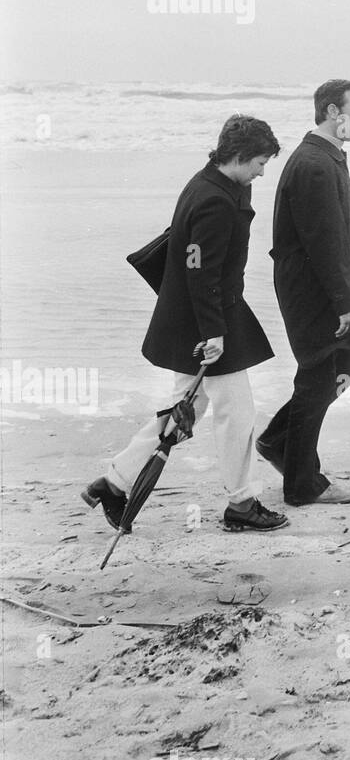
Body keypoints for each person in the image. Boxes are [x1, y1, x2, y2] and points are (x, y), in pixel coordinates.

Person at [82, 116, 288, 533]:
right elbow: (200, 271)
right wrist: (213, 333)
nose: (263, 172)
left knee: (185, 412)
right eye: (260, 163)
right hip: (206, 322)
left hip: (197, 317)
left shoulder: (213, 182)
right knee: (238, 412)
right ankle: (242, 504)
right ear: (240, 156)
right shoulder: (214, 199)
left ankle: (115, 483)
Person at [256, 79, 350, 506]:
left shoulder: (326, 157)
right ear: (331, 112)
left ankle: (278, 442)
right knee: (320, 377)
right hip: (314, 292)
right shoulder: (315, 164)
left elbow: (334, 238)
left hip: (326, 286)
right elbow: (324, 242)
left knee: (342, 365)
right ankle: (302, 483)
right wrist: (342, 301)